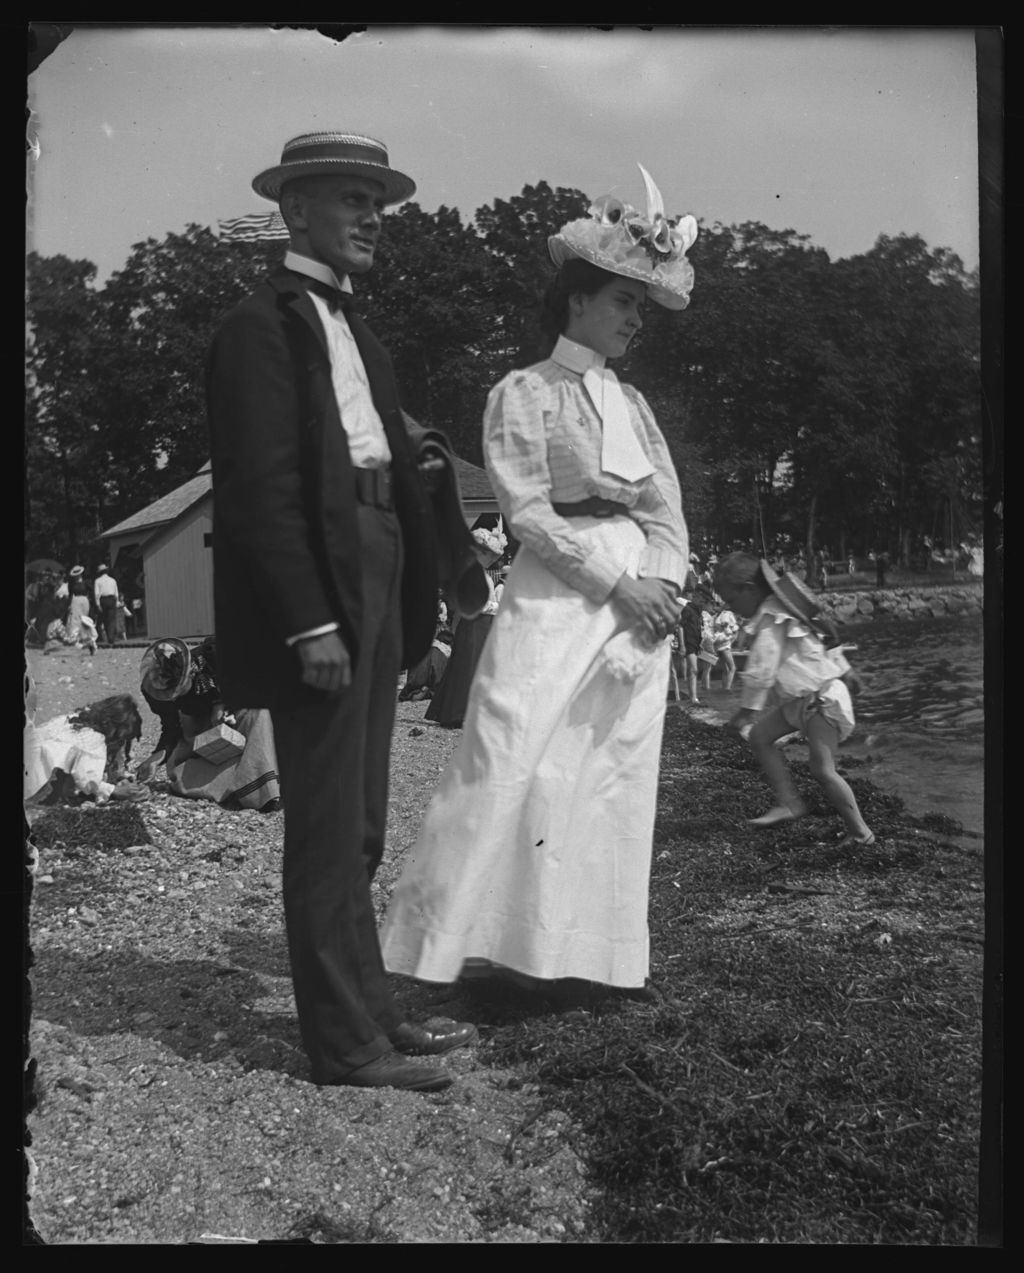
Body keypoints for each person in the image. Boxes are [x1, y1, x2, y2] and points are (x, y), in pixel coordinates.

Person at [206, 130, 482, 1092]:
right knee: (323, 826)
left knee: (362, 820)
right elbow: (257, 493)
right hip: (320, 583)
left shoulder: (361, 328)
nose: (371, 217)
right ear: (294, 211)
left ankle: (371, 1009)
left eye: (379, 200)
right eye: (349, 198)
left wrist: (413, 604)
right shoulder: (259, 325)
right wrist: (307, 620)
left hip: (378, 564)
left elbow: (391, 473)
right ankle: (342, 1046)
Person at [381, 165, 696, 997]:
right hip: (559, 597)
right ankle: (443, 953)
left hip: (639, 610)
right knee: (509, 753)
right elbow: (525, 509)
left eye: (640, 306)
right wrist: (614, 583)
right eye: (624, 301)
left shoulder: (634, 405)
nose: (635, 320)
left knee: (602, 771)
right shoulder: (523, 391)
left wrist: (659, 591)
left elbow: (668, 510)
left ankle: (573, 958)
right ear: (577, 301)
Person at [714, 552, 875, 848]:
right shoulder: (781, 613)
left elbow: (762, 668)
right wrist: (848, 671)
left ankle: (861, 832)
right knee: (761, 737)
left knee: (822, 769)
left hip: (821, 701)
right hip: (798, 703)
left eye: (732, 601)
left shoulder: (773, 618)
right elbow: (824, 642)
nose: (730, 608)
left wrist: (746, 712)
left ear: (749, 588)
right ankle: (789, 802)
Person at [136, 636, 282, 812]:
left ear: (189, 671)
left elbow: (251, 676)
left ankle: (262, 791)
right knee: (183, 777)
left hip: (236, 717)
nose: (173, 696)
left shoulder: (213, 656)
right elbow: (171, 727)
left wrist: (221, 702)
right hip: (198, 733)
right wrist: (156, 758)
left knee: (259, 713)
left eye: (176, 690)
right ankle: (250, 777)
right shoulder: (155, 689)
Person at [424, 525, 507, 727]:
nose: (492, 558)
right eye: (488, 553)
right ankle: (457, 712)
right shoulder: (472, 573)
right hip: (475, 624)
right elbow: (477, 603)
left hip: (481, 625)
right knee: (467, 666)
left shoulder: (479, 573)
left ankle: (460, 711)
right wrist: (498, 607)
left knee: (473, 666)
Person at [25, 692, 146, 805]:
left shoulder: (73, 720)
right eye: (121, 738)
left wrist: (121, 776)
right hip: (34, 785)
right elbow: (87, 779)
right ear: (114, 729)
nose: (120, 744)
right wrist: (116, 790)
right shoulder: (93, 738)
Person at [64, 579, 98, 654]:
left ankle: (90, 643)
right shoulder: (72, 584)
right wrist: (69, 605)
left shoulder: (86, 582)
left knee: (84, 622)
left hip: (84, 602)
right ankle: (80, 644)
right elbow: (70, 595)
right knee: (75, 623)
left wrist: (92, 601)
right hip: (75, 602)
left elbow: (92, 591)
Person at [93, 564, 119, 644]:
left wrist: (97, 604)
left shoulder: (97, 581)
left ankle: (107, 636)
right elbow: (116, 592)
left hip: (103, 600)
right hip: (112, 599)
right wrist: (117, 601)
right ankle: (111, 637)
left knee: (104, 619)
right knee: (111, 619)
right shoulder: (113, 580)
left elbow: (96, 594)